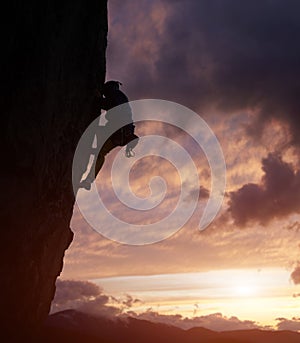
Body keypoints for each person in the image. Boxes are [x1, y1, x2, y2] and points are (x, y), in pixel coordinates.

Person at [80, 81, 139, 190]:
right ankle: (89, 178)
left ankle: (89, 179)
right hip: (119, 133)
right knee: (99, 149)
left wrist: (97, 98)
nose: (105, 93)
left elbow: (109, 105)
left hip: (116, 132)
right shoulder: (120, 96)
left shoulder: (116, 96)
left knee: (100, 152)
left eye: (105, 92)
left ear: (109, 89)